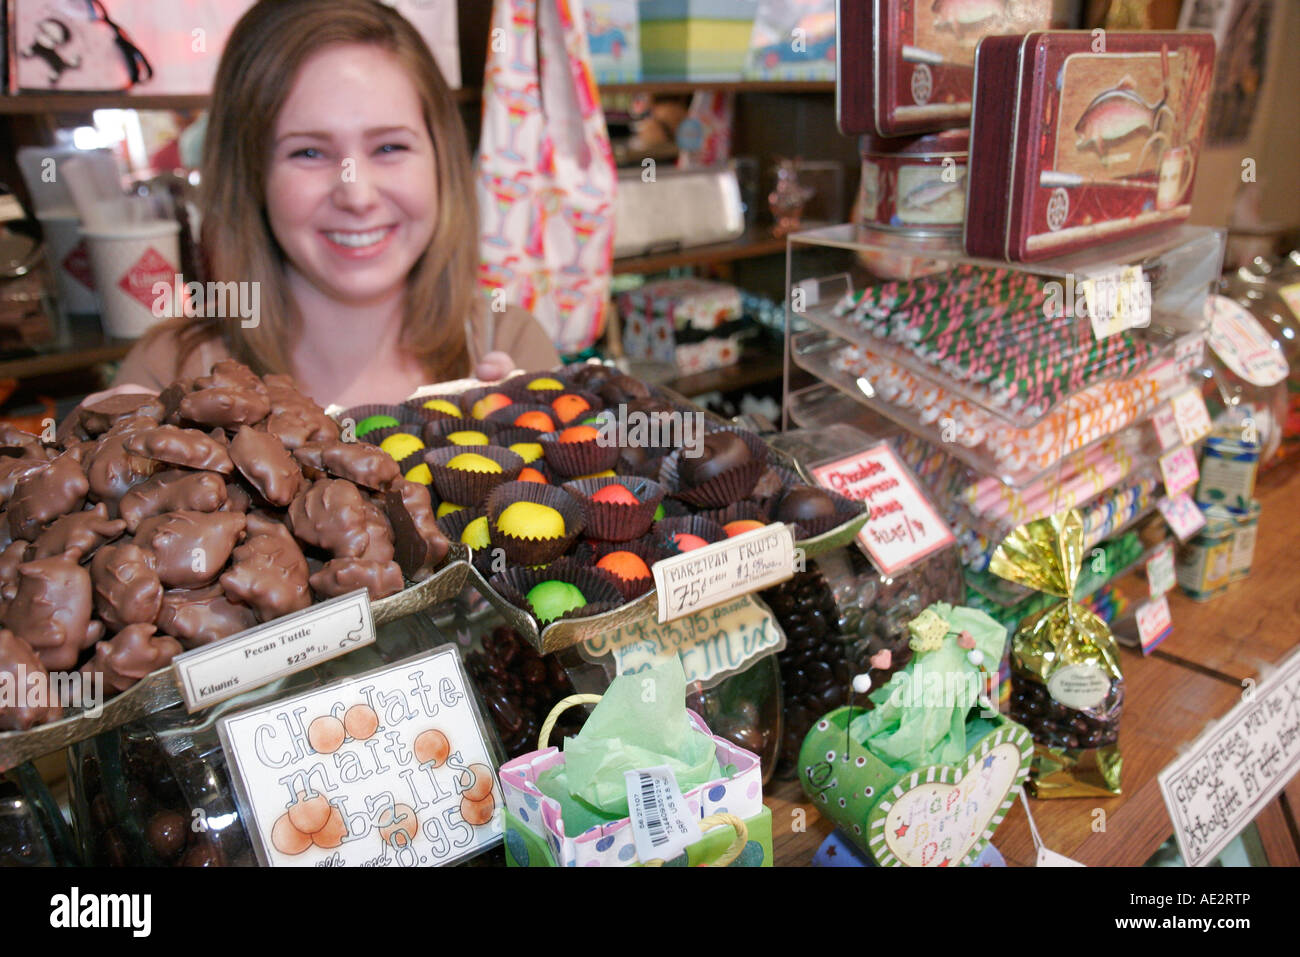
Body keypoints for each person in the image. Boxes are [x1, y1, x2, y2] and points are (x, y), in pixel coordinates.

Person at [105, 0, 559, 407]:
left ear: (441, 160)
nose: (357, 196)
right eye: (308, 152)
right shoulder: (167, 371)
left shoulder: (512, 343)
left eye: (389, 148)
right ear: (251, 176)